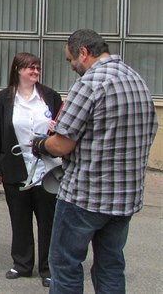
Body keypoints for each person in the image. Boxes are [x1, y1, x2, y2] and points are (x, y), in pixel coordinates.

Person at [31, 29, 157, 293]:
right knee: (110, 266)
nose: (71, 66)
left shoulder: (90, 83)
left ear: (84, 53)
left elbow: (62, 143)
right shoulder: (136, 80)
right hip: (124, 199)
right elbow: (150, 130)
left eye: (70, 60)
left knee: (64, 265)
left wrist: (40, 144)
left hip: (85, 197)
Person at [0, 53, 62, 286]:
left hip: (46, 170)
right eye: (31, 68)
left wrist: (57, 127)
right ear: (18, 70)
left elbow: (64, 130)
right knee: (19, 219)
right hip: (15, 168)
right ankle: (21, 264)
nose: (35, 72)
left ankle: (48, 268)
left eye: (38, 68)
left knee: (48, 220)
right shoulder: (2, 99)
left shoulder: (50, 97)